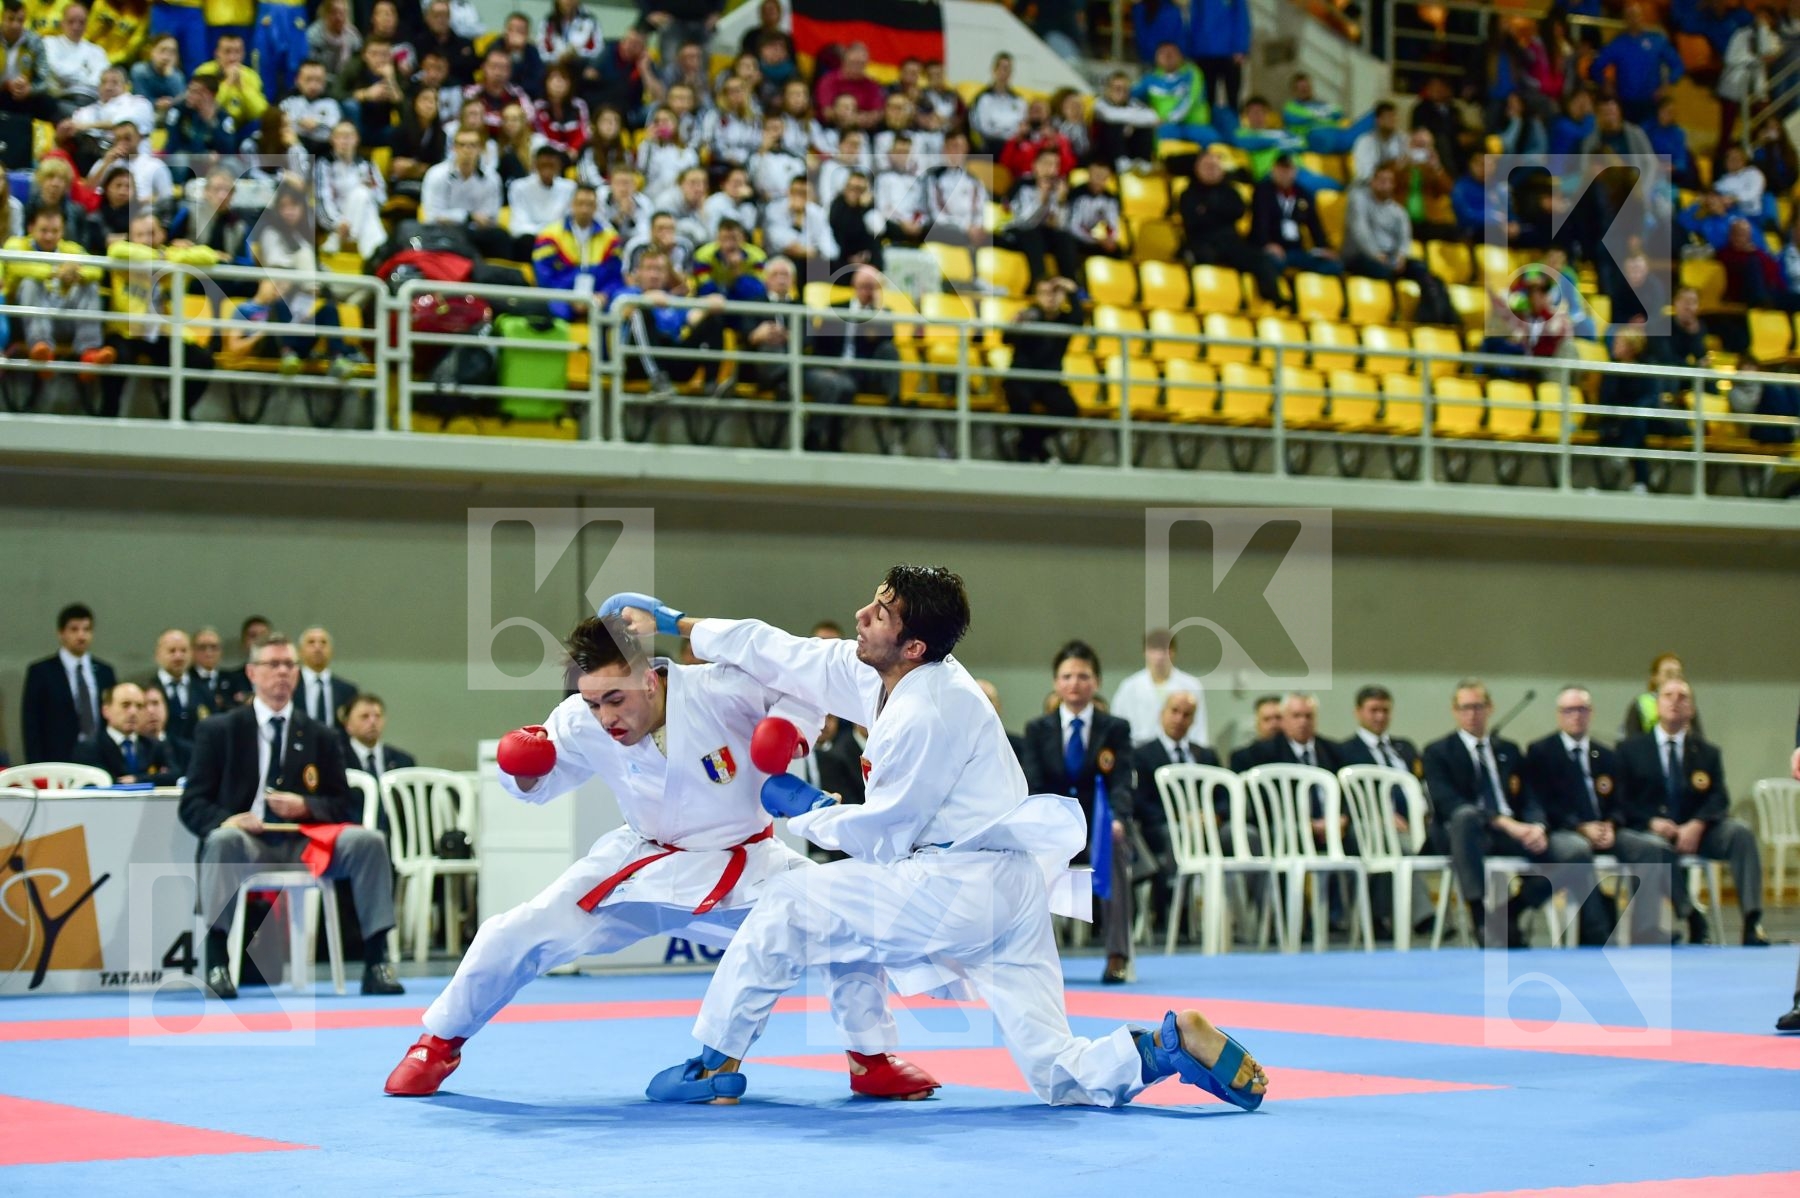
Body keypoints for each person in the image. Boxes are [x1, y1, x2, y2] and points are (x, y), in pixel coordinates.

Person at [608, 572, 1268, 1110]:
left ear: (914, 644)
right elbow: (778, 649)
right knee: (1055, 1072)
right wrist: (675, 621)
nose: (864, 613)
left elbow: (882, 834)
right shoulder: (882, 669)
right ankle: (1164, 1045)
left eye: (883, 612)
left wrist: (808, 811)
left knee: (790, 903)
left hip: (957, 888)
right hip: (1010, 893)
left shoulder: (926, 713)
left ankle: (712, 1064)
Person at [382, 613, 939, 1102]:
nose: (604, 717)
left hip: (748, 863)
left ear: (650, 679)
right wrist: (526, 771)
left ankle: (871, 1060)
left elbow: (804, 691)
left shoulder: (724, 689)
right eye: (593, 701)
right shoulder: (581, 717)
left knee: (846, 922)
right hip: (641, 865)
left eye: (615, 700)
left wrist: (791, 733)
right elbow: (545, 780)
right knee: (518, 929)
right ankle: (438, 1043)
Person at [178, 632, 404, 1000]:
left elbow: (342, 804)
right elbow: (192, 804)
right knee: (221, 839)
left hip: (307, 843)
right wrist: (228, 819)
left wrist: (306, 807)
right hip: (247, 842)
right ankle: (217, 961)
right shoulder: (219, 730)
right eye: (272, 664)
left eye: (289, 665)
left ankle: (377, 960)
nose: (282, 672)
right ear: (252, 672)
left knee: (369, 841)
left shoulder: (321, 735)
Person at [1616, 677, 1768, 946]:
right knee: (1655, 847)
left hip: (1698, 832)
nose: (1676, 701)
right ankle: (1691, 914)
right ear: (1657, 704)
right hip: (1652, 832)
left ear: (1692, 709)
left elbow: (1719, 798)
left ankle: (1752, 922)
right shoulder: (1631, 750)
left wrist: (1697, 824)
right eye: (1668, 695)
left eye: (1683, 697)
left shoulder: (1707, 752)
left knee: (1741, 834)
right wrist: (1651, 822)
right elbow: (1622, 800)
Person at [1020, 639, 1137, 985]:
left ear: (1096, 682)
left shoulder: (1115, 728)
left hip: (1099, 828)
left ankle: (1117, 954)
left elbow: (1121, 782)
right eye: (1067, 676)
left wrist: (1117, 818)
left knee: (1116, 845)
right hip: (1053, 828)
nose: (1075, 683)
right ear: (1056, 682)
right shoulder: (1037, 729)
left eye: (1083, 676)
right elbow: (1034, 783)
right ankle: (1031, 956)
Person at [1002, 275, 1083, 463]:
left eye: (1055, 293)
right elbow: (1006, 339)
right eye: (1045, 293)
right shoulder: (1029, 315)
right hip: (1022, 378)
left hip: (1049, 382)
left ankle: (1028, 445)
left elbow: (1079, 319)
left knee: (1068, 409)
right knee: (1020, 400)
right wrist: (1015, 326)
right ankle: (1037, 450)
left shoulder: (1065, 320)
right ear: (1036, 296)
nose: (1050, 298)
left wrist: (1072, 291)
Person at [1110, 628, 1207, 747]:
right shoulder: (1129, 687)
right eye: (1154, 650)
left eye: (1164, 650)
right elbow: (1118, 726)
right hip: (1139, 752)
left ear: (1173, 652)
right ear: (1145, 652)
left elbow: (1199, 728)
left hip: (1180, 751)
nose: (1159, 656)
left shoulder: (1191, 685)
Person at [71, 681, 172, 782]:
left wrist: (136, 779)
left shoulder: (152, 745)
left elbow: (174, 774)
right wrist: (154, 777)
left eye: (139, 706)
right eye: (125, 705)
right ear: (106, 711)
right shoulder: (90, 748)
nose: (133, 712)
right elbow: (101, 781)